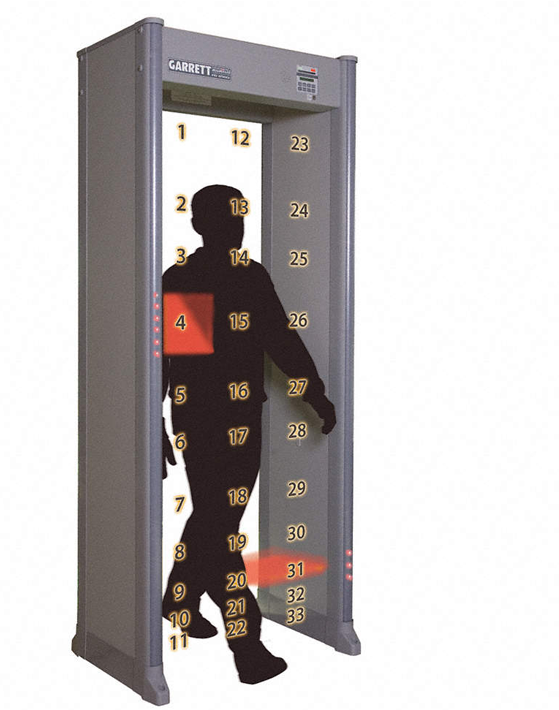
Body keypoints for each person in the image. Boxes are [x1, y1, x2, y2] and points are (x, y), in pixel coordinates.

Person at [161, 184, 336, 684]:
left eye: (240, 215)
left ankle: (179, 600)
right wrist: (153, 422)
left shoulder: (216, 276)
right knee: (221, 528)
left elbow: (279, 338)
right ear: (199, 224)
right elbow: (175, 357)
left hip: (224, 419)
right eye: (227, 216)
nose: (236, 225)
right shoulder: (205, 277)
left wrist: (315, 393)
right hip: (213, 421)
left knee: (215, 518)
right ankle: (247, 646)